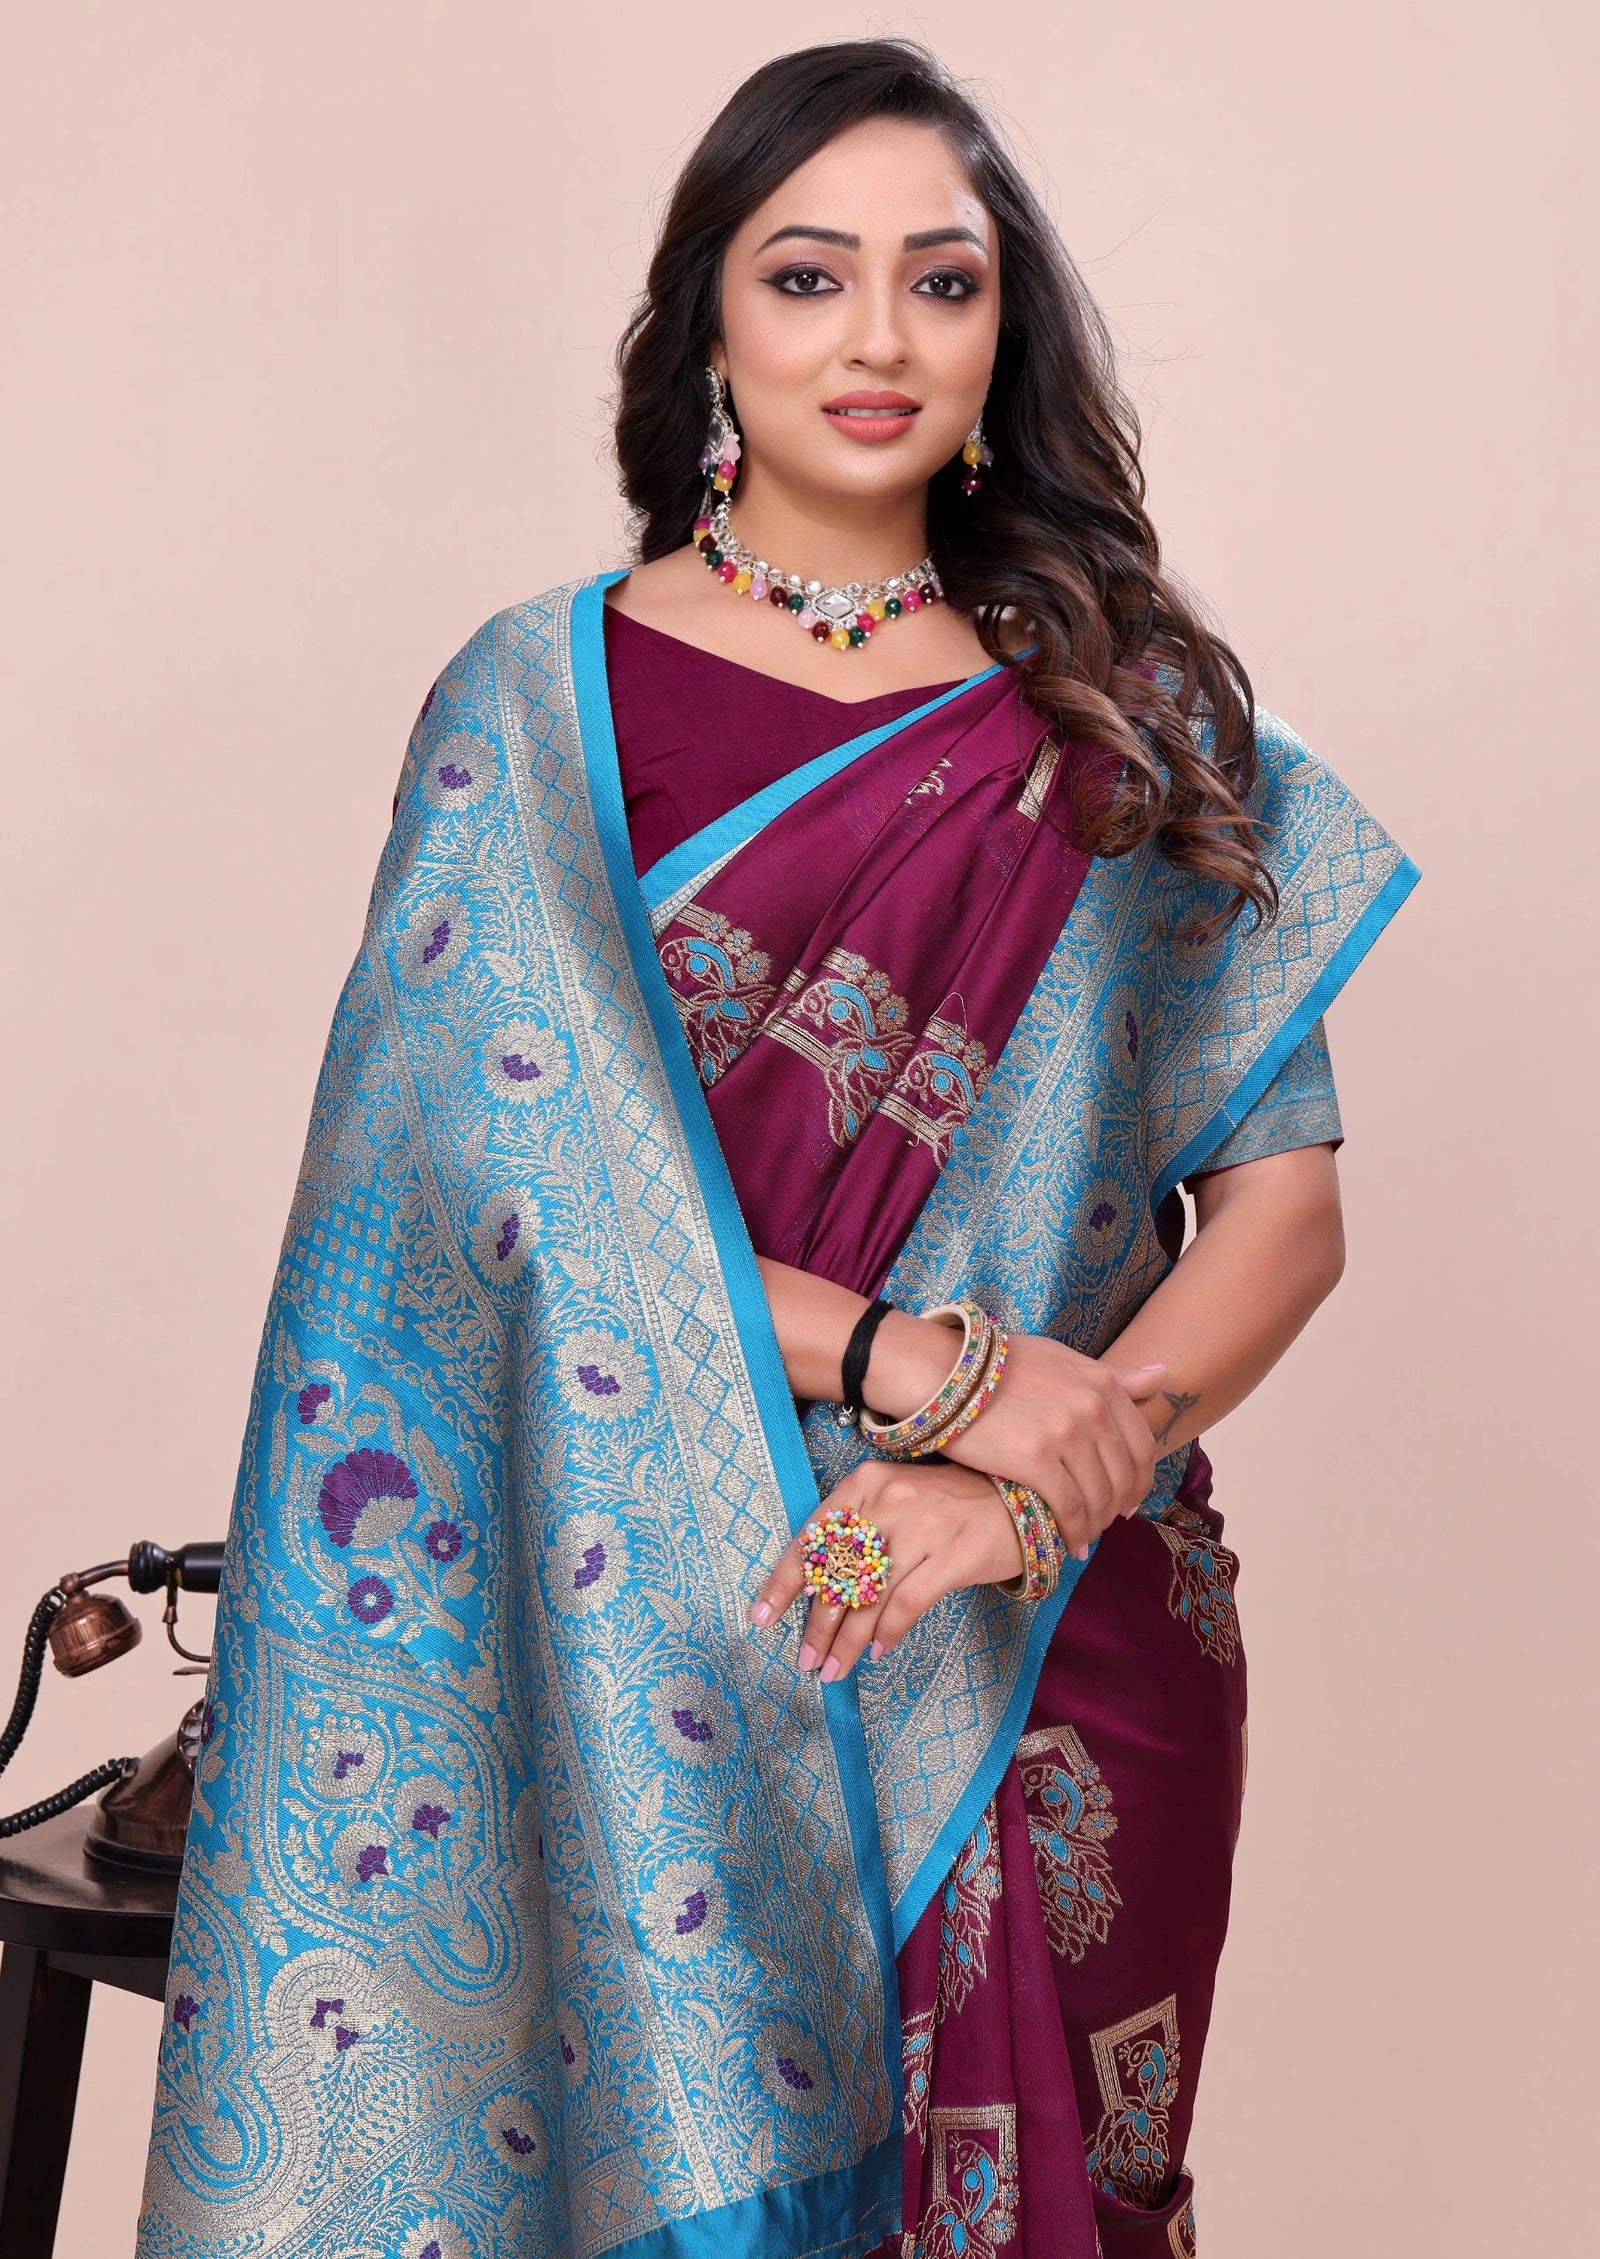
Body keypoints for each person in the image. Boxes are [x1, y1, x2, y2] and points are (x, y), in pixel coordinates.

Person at [137, 40, 1417, 2259]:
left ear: (1002, 331)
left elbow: (1284, 1219)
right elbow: (461, 1209)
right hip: (632, 1624)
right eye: (808, 276)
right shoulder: (532, 714)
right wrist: (924, 1371)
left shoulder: (1133, 718)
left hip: (1047, 1639)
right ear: (706, 324)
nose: (877, 338)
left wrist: (1017, 1480)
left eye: (941, 281)